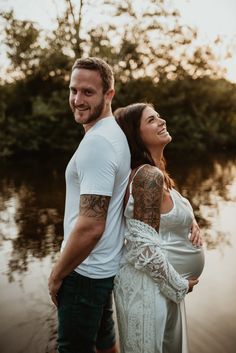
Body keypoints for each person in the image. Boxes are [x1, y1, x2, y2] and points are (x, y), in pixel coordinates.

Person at [48, 57, 130, 353]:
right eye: (73, 91)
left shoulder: (98, 143)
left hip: (84, 274)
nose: (77, 100)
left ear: (109, 94)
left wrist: (57, 275)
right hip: (100, 270)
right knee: (105, 343)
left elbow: (92, 225)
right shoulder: (110, 134)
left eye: (88, 92)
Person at [113, 103, 205, 353]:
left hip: (160, 287)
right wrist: (179, 285)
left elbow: (166, 212)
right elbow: (141, 248)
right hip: (148, 292)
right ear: (135, 134)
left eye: (158, 116)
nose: (162, 121)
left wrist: (191, 220)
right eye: (152, 120)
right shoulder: (147, 177)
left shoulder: (156, 172)